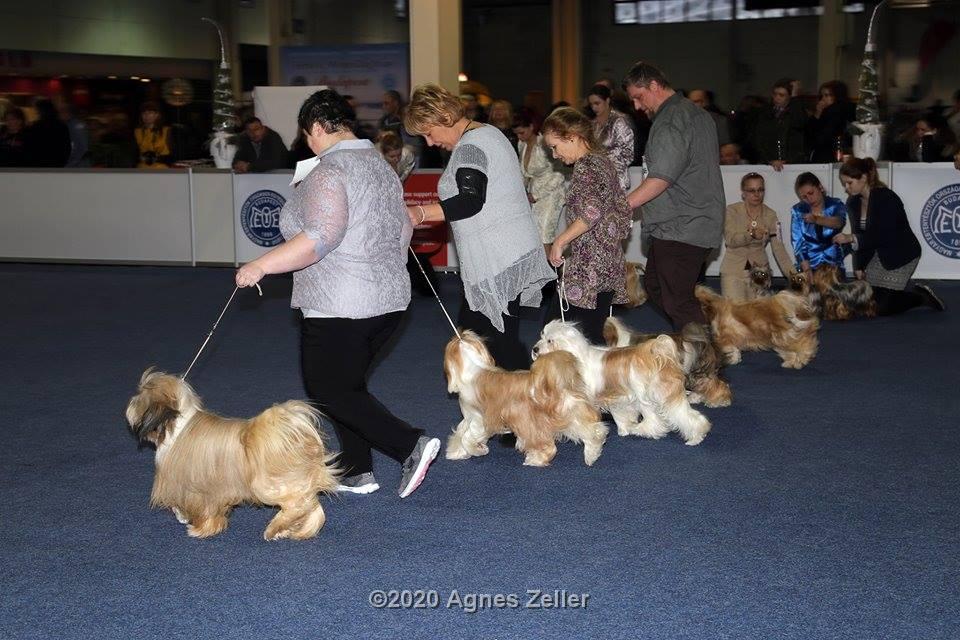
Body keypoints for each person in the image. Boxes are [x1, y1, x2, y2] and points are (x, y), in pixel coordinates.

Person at [234, 89, 440, 498]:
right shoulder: (381, 165)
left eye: (304, 134)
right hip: (389, 301)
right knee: (347, 387)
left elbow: (319, 238)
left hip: (340, 300)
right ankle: (356, 469)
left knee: (327, 387)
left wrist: (261, 265)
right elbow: (403, 228)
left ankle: (409, 444)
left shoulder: (328, 172)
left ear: (314, 128)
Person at [403, 83, 555, 370]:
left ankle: (539, 403)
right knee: (488, 343)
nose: (430, 142)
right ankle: (522, 404)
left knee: (486, 345)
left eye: (428, 133)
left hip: (496, 262)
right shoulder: (490, 134)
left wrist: (419, 213)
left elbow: (470, 201)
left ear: (442, 118)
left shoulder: (471, 146)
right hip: (506, 256)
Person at [622, 61, 724, 329]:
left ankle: (705, 360)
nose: (637, 106)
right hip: (692, 221)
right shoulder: (696, 113)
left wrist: (621, 206)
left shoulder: (670, 121)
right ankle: (697, 342)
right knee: (657, 287)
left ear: (654, 85)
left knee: (677, 301)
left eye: (638, 97)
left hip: (682, 225)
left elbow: (659, 178)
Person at [541, 107, 631, 343]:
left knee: (555, 336)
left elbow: (592, 212)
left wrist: (560, 241)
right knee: (591, 341)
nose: (554, 155)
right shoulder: (604, 163)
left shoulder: (586, 166)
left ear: (571, 136)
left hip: (588, 270)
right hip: (606, 265)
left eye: (554, 146)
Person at [832, 158, 944, 314]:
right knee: (869, 301)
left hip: (902, 254)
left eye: (849, 183)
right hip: (878, 254)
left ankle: (921, 297)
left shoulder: (887, 198)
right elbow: (860, 234)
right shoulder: (853, 203)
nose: (846, 188)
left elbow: (884, 235)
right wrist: (859, 266)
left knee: (882, 307)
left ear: (863, 178)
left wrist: (851, 238)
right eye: (844, 183)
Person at [721, 173, 794, 301]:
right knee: (735, 315)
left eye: (760, 190)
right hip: (733, 271)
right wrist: (750, 235)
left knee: (760, 315)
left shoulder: (771, 215)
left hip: (760, 275)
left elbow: (779, 249)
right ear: (743, 193)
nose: (756, 194)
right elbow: (730, 240)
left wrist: (793, 276)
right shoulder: (732, 211)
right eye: (751, 190)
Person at [512, 107, 566, 251]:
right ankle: (547, 270)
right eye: (516, 134)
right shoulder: (521, 144)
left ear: (531, 126)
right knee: (534, 238)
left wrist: (536, 194)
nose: (520, 137)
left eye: (522, 132)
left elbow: (559, 174)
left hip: (551, 194)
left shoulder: (546, 143)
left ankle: (551, 271)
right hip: (532, 195)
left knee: (544, 237)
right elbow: (524, 174)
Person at [790, 172, 847, 273]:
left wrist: (817, 220)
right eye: (804, 197)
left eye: (811, 193)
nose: (809, 199)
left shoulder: (835, 204)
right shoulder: (798, 210)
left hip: (834, 266)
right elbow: (798, 243)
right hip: (809, 266)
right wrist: (807, 270)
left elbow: (839, 222)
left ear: (820, 187)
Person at [587, 83, 634, 193]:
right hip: (595, 179)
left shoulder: (620, 121)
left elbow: (628, 154)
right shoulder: (592, 124)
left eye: (597, 103)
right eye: (591, 104)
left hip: (616, 180)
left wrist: (605, 161)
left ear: (607, 100)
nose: (594, 107)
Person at [752, 78, 807, 171]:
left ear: (789, 97)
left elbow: (800, 123)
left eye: (781, 95)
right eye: (775, 94)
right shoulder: (765, 113)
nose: (777, 98)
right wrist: (769, 160)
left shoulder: (794, 112)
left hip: (793, 163)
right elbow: (759, 139)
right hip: (769, 163)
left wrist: (794, 98)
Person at [806, 80, 855, 162]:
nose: (823, 99)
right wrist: (817, 113)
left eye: (827, 95)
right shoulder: (825, 111)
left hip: (830, 153)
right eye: (822, 96)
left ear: (837, 96)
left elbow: (821, 136)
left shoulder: (835, 112)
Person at [23, 99, 71, 168]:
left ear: (40, 111)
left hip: (37, 165)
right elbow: (66, 148)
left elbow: (29, 147)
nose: (35, 112)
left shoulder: (35, 127)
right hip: (56, 164)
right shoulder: (61, 125)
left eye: (36, 111)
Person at [134, 102, 171, 169]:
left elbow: (172, 153)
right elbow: (134, 153)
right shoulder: (137, 132)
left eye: (150, 113)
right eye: (144, 113)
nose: (146, 115)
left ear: (157, 115)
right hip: (142, 167)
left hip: (162, 167)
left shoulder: (166, 130)